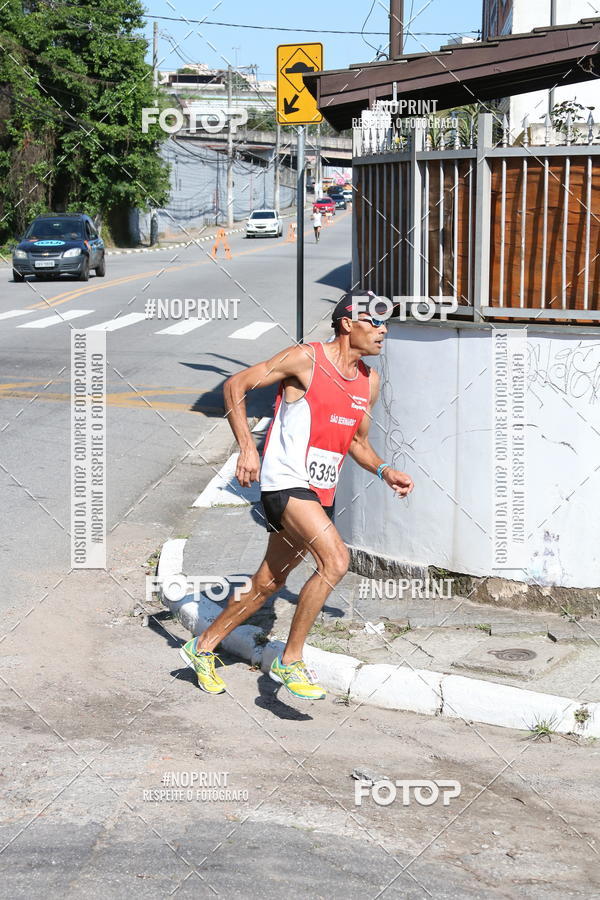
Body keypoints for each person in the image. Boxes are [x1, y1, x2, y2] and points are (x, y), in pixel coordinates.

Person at [180, 290, 414, 700]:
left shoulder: (368, 381)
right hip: (284, 482)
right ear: (347, 323)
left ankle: (202, 647)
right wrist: (248, 448)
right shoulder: (306, 359)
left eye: (385, 323)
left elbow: (357, 442)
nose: (383, 330)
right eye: (374, 322)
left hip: (319, 491)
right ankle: (290, 660)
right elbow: (236, 385)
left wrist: (383, 469)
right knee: (337, 560)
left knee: (268, 583)